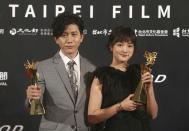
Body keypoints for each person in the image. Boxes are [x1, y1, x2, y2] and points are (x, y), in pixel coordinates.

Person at [25, 12, 96, 131]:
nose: (69, 40)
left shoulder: (92, 68)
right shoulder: (42, 67)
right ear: (56, 39)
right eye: (64, 35)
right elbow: (36, 102)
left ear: (81, 37)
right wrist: (32, 97)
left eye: (74, 34)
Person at [88, 26, 158, 131]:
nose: (125, 50)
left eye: (130, 46)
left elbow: (152, 115)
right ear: (111, 47)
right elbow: (92, 117)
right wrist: (120, 106)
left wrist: (150, 88)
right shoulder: (102, 76)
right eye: (120, 45)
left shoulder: (140, 71)